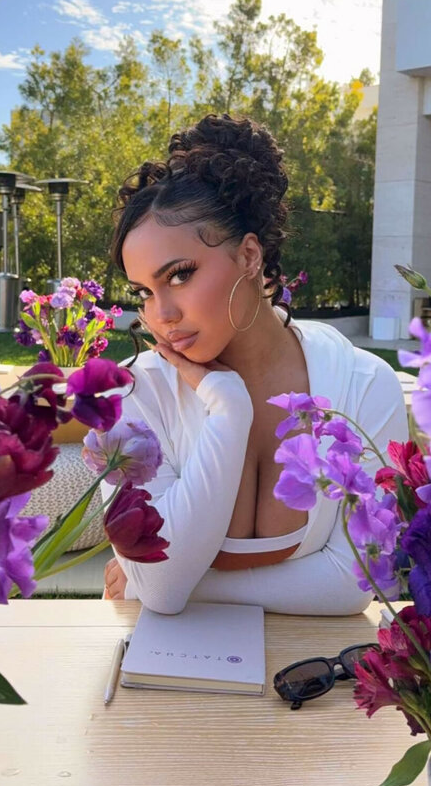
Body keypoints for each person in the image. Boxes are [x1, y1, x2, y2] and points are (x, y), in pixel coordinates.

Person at [102, 113, 408, 614]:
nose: (162, 315)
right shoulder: (135, 395)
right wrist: (228, 409)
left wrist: (192, 588)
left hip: (312, 660)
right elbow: (160, 588)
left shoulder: (364, 385)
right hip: (164, 660)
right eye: (144, 292)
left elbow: (356, 582)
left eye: (179, 275)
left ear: (248, 256)